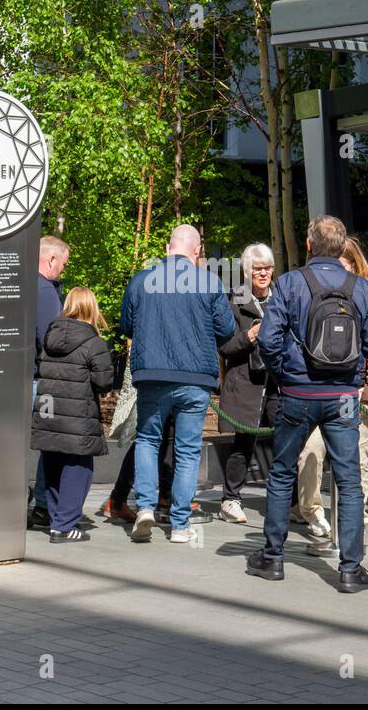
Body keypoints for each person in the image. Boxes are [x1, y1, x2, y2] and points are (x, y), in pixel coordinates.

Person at [245, 215, 368, 593]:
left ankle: (273, 559)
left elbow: (268, 341)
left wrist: (285, 374)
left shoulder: (290, 284)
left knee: (281, 473)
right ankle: (350, 570)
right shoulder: (362, 289)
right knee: (349, 482)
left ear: (308, 245)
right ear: (343, 247)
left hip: (298, 394)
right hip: (342, 397)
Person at [119, 224, 236, 544]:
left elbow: (126, 325)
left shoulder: (142, 280)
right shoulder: (210, 282)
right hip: (195, 379)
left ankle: (144, 507)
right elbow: (227, 330)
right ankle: (180, 525)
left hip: (152, 374)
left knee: (147, 440)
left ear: (169, 248)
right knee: (186, 450)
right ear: (197, 252)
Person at [294, 236, 368, 528]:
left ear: (353, 263)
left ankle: (354, 517)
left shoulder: (365, 295)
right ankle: (312, 511)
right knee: (310, 451)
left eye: (341, 262)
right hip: (313, 387)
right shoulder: (309, 291)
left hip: (353, 390)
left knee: (355, 455)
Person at [30, 286, 114, 543]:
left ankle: (57, 522)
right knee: (78, 468)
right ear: (91, 308)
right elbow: (104, 382)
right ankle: (65, 526)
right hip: (78, 416)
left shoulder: (49, 338)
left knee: (53, 464)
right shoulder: (93, 343)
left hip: (49, 412)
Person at [216, 242, 280, 524]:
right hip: (246, 383)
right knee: (244, 442)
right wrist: (249, 337)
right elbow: (224, 347)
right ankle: (230, 500)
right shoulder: (234, 301)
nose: (263, 273)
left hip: (278, 382)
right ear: (246, 272)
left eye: (267, 268)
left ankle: (286, 502)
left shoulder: (282, 299)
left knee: (285, 442)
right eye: (257, 269)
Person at [29, 235, 70, 529]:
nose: (63, 271)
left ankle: (41, 505)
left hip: (26, 378)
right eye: (63, 265)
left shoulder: (24, 284)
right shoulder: (44, 291)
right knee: (51, 442)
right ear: (51, 259)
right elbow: (51, 339)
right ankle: (44, 505)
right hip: (40, 383)